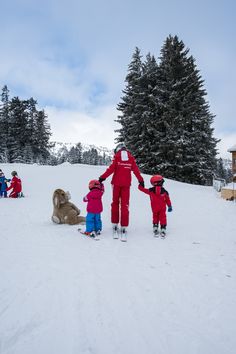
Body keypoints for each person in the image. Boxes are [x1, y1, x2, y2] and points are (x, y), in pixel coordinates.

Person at [99, 142, 144, 241]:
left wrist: (102, 178)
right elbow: (136, 170)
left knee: (115, 203)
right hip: (126, 185)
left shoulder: (117, 157)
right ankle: (124, 225)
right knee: (125, 205)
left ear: (117, 149)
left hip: (116, 184)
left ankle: (115, 224)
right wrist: (141, 180)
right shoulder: (131, 158)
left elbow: (111, 169)